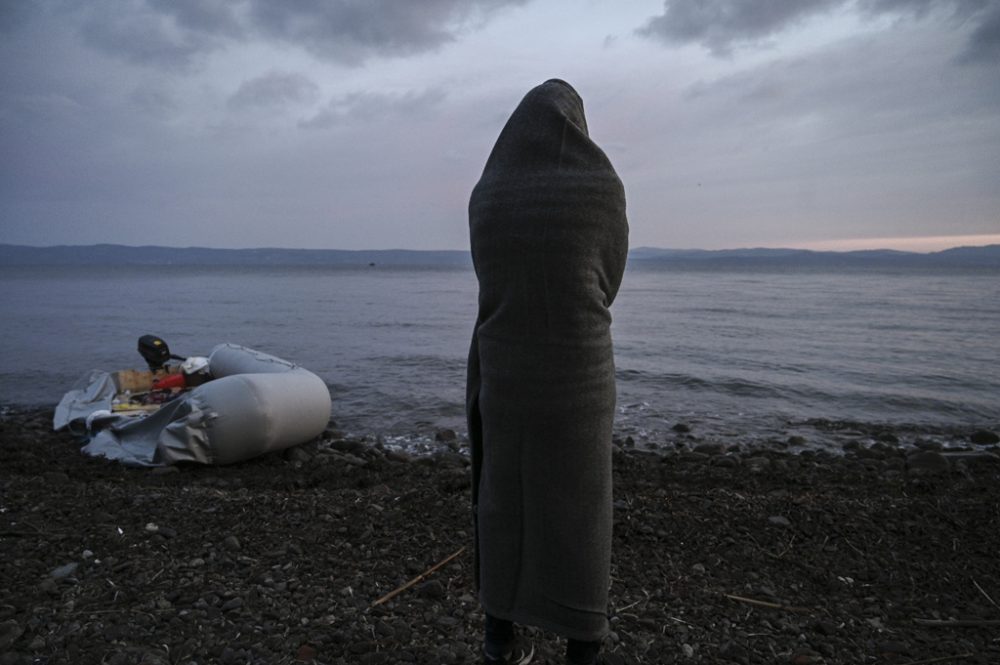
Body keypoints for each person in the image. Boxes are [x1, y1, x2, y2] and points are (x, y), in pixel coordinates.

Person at [466, 79, 629, 665]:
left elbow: (489, 278)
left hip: (505, 367)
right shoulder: (600, 186)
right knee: (581, 509)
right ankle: (583, 641)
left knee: (503, 498)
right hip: (578, 372)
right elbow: (608, 280)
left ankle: (499, 635)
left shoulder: (487, 193)